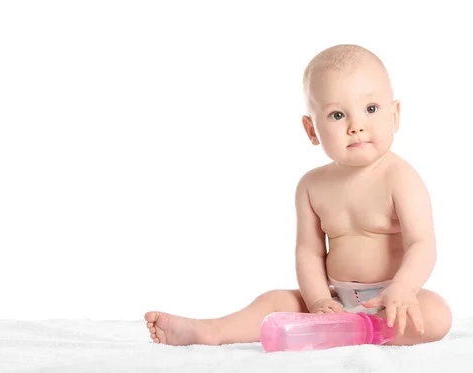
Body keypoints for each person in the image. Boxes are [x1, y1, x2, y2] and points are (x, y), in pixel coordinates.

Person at [145, 44, 452, 347]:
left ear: (395, 115)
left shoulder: (400, 178)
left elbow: (421, 244)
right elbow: (309, 252)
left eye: (370, 109)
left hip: (392, 298)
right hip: (335, 299)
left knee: (436, 314)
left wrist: (403, 287)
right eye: (336, 115)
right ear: (311, 130)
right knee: (275, 301)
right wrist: (318, 300)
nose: (356, 126)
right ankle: (212, 331)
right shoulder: (312, 185)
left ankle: (359, 330)